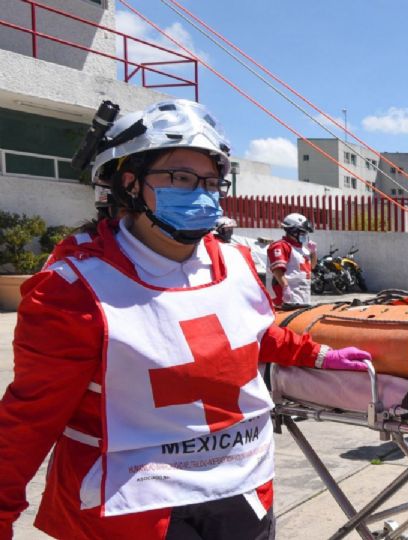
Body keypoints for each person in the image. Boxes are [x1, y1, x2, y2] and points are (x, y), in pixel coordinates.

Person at [0, 98, 373, 540]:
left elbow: (248, 337)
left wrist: (316, 353)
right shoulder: (74, 289)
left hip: (240, 488)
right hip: (134, 509)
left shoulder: (234, 264)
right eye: (179, 177)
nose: (199, 191)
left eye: (211, 180)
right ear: (130, 183)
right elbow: (28, 420)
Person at [267, 213, 314, 309]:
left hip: (303, 296)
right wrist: (285, 288)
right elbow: (277, 271)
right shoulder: (281, 246)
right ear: (292, 231)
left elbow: (311, 267)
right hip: (287, 298)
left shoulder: (303, 249)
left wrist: (313, 252)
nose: (305, 235)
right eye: (302, 232)